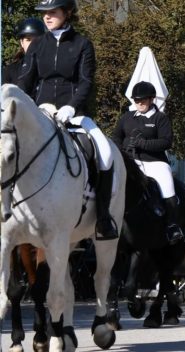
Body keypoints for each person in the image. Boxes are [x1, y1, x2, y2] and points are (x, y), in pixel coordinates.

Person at [18, 0, 118, 240]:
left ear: (68, 13)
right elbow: (25, 81)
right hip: (41, 112)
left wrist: (71, 108)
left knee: (104, 153)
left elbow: (86, 82)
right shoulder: (37, 46)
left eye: (52, 12)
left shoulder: (82, 44)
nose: (47, 17)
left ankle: (103, 218)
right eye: (44, 13)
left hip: (73, 114)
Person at [111, 81, 183, 244]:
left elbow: (166, 142)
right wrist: (122, 147)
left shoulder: (160, 118)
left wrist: (143, 144)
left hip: (155, 162)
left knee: (167, 187)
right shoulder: (127, 117)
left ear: (151, 99)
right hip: (130, 161)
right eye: (136, 100)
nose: (139, 103)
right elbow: (115, 136)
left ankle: (172, 226)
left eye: (143, 100)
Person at [2, 17, 45, 85]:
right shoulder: (10, 70)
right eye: (28, 39)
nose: (32, 44)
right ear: (22, 42)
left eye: (37, 40)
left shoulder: (50, 67)